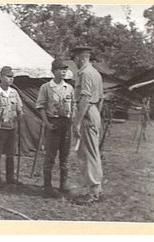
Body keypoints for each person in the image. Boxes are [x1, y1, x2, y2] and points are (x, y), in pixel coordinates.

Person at [36, 58, 75, 198]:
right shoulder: (46, 87)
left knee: (65, 156)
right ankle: (47, 186)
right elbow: (40, 107)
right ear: (54, 71)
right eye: (60, 69)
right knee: (50, 156)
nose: (64, 71)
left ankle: (63, 185)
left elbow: (73, 106)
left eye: (65, 69)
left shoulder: (69, 88)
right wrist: (46, 123)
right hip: (53, 123)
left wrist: (72, 122)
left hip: (66, 123)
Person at [71, 46, 104, 204]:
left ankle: (94, 192)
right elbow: (101, 98)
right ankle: (96, 189)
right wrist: (96, 116)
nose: (75, 62)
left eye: (75, 59)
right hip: (93, 112)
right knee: (92, 152)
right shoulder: (96, 73)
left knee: (89, 154)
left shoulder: (85, 73)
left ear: (80, 58)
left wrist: (77, 123)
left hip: (87, 113)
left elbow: (84, 99)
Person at [0, 66, 23, 187]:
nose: (11, 79)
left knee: (11, 153)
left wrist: (20, 113)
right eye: (8, 76)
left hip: (12, 126)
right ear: (1, 77)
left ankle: (10, 178)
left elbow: (19, 107)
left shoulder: (14, 92)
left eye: (12, 77)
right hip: (0, 127)